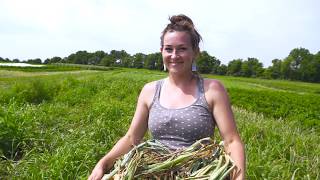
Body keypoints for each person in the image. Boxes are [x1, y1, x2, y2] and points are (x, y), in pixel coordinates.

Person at [88, 14, 245, 180]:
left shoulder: (212, 89)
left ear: (195, 52)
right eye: (169, 49)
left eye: (182, 49)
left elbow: (232, 141)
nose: (174, 55)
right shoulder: (150, 90)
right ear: (161, 51)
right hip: (155, 171)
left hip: (198, 173)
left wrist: (239, 177)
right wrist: (103, 163)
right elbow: (131, 138)